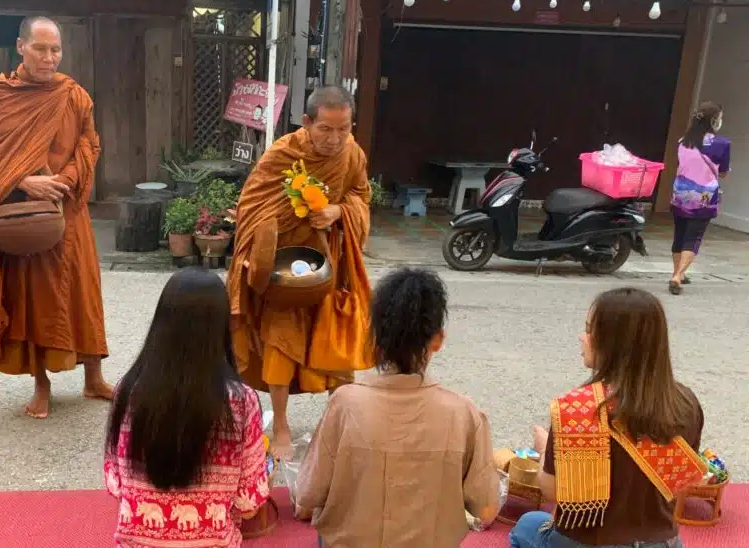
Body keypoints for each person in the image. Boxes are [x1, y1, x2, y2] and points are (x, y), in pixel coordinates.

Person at [0, 16, 112, 419]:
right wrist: (27, 182)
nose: (49, 58)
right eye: (40, 49)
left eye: (56, 50)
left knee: (83, 291)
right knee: (33, 298)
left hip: (69, 210)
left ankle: (94, 377)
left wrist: (63, 180)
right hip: (26, 216)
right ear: (20, 46)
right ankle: (42, 385)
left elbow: (89, 143)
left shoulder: (73, 95)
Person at [294, 268, 500, 547]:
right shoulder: (465, 414)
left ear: (375, 337)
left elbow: (307, 496)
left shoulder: (344, 404)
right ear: (437, 340)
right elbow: (486, 510)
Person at [226, 86, 373, 458]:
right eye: (326, 129)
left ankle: (340, 424)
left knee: (335, 339)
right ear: (307, 122)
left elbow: (361, 195)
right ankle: (282, 428)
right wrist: (295, 215)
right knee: (281, 341)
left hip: (330, 260)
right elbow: (252, 205)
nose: (335, 139)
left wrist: (339, 212)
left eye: (343, 129)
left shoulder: (352, 153)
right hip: (286, 265)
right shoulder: (283, 153)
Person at [510, 288, 706, 548]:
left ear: (612, 341)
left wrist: (545, 448)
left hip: (587, 543)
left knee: (527, 524)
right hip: (661, 543)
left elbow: (554, 492)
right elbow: (680, 483)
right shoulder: (685, 403)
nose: (582, 337)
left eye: (590, 330)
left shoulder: (576, 409)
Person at [104, 267, 270, 547]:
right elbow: (248, 503)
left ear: (161, 323)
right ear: (221, 327)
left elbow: (115, 485)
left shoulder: (128, 390)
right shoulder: (242, 401)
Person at [669, 101, 731, 295]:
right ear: (714, 120)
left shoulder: (682, 142)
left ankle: (677, 272)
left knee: (680, 233)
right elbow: (723, 173)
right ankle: (678, 276)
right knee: (693, 236)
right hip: (704, 196)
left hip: (680, 193)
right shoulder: (722, 144)